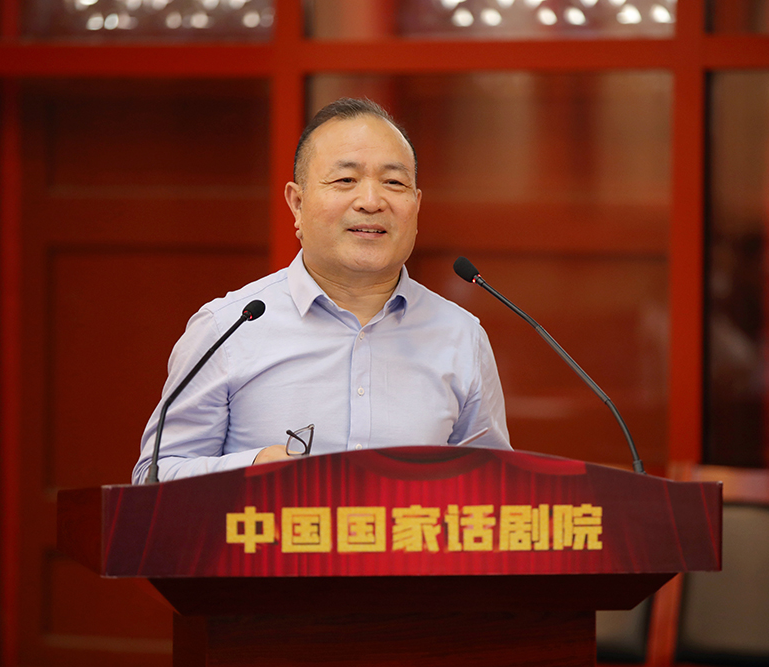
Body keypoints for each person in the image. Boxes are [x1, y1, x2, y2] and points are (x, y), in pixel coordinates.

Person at [132, 98, 510, 484]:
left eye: (394, 183)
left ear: (416, 205)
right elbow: (153, 478)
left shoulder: (461, 336)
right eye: (345, 180)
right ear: (297, 203)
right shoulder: (228, 329)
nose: (371, 202)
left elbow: (495, 485)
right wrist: (251, 470)